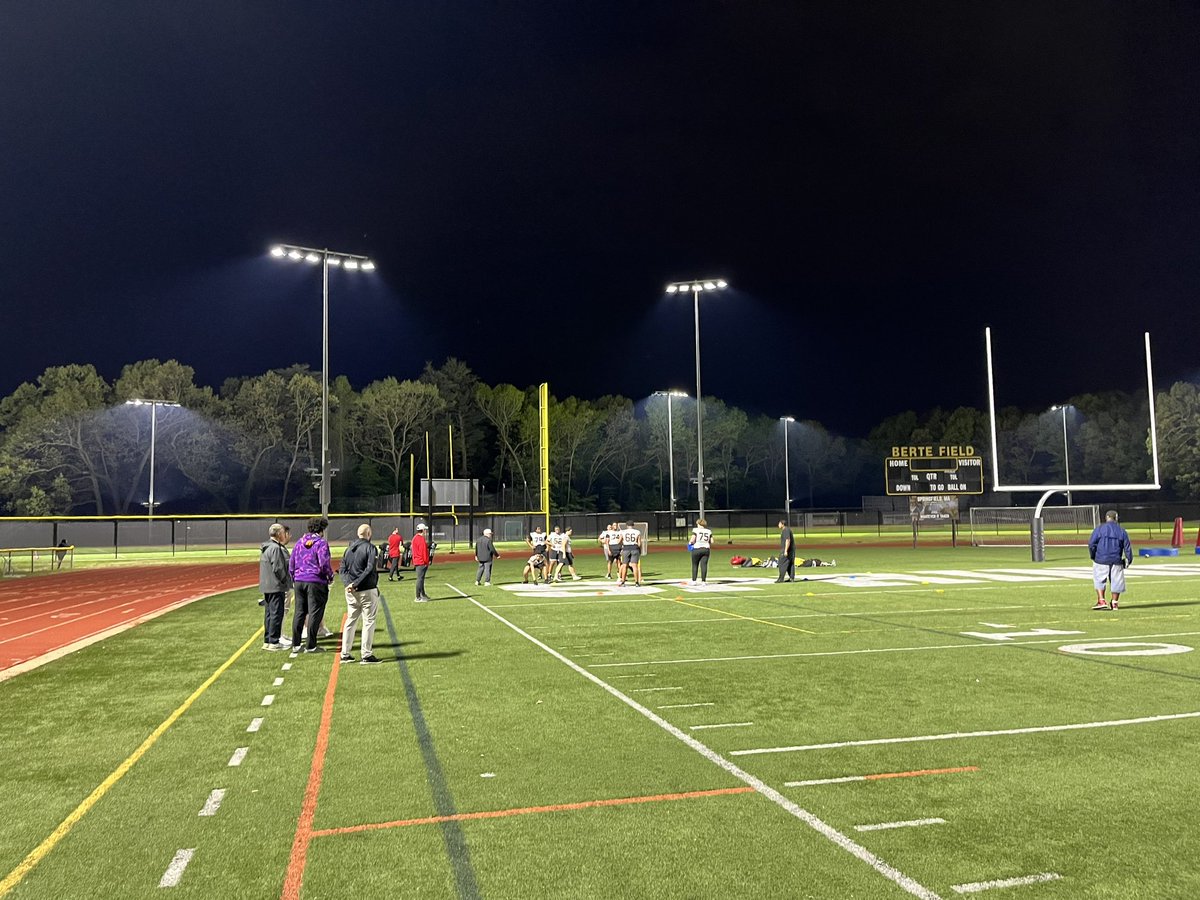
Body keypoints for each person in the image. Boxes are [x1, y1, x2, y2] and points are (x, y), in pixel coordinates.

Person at [289, 517, 334, 653]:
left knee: (299, 612)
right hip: (315, 581)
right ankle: (311, 645)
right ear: (322, 529)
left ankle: (296, 644)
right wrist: (330, 576)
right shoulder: (321, 543)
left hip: (299, 581)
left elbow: (291, 563)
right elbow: (324, 563)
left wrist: (294, 577)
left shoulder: (299, 543)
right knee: (315, 612)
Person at [339, 523, 382, 664]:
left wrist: (348, 584)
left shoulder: (349, 548)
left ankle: (345, 653)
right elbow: (370, 568)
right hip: (366, 589)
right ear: (369, 534)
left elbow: (342, 568)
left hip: (351, 591)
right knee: (369, 621)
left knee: (351, 620)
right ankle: (366, 654)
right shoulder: (370, 548)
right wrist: (356, 583)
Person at [1088, 509, 1133, 610]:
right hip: (1116, 559)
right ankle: (1115, 603)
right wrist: (1129, 559)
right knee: (1117, 581)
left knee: (1099, 579)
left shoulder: (1099, 529)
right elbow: (1127, 547)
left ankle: (1101, 600)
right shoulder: (1122, 531)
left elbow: (1091, 544)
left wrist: (1093, 555)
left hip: (1101, 559)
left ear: (1106, 518)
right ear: (1116, 518)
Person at [259, 524, 291, 650]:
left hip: (267, 585)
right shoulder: (275, 548)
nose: (284, 535)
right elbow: (278, 568)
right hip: (276, 585)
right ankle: (274, 642)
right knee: (276, 613)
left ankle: (268, 640)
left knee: (269, 614)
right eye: (283, 532)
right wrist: (285, 580)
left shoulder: (266, 547)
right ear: (278, 534)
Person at [411, 523, 432, 602]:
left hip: (417, 561)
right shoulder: (421, 539)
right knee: (420, 579)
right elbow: (424, 552)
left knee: (421, 579)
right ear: (423, 530)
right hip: (421, 562)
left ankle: (422, 594)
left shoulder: (415, 538)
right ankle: (418, 597)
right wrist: (426, 562)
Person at [618, 521, 644, 586]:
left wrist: (622, 545)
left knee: (625, 565)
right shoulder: (637, 532)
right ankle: (636, 582)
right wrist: (639, 550)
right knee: (635, 566)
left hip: (626, 548)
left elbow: (619, 541)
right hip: (635, 548)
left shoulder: (623, 532)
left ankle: (623, 581)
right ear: (633, 525)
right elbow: (639, 543)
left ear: (627, 525)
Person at [690, 518, 713, 584]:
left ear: (699, 524)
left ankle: (694, 581)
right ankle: (703, 581)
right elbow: (712, 541)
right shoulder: (709, 531)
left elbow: (692, 540)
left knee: (695, 565)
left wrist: (690, 544)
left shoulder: (695, 530)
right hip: (706, 549)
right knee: (704, 565)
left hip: (697, 548)